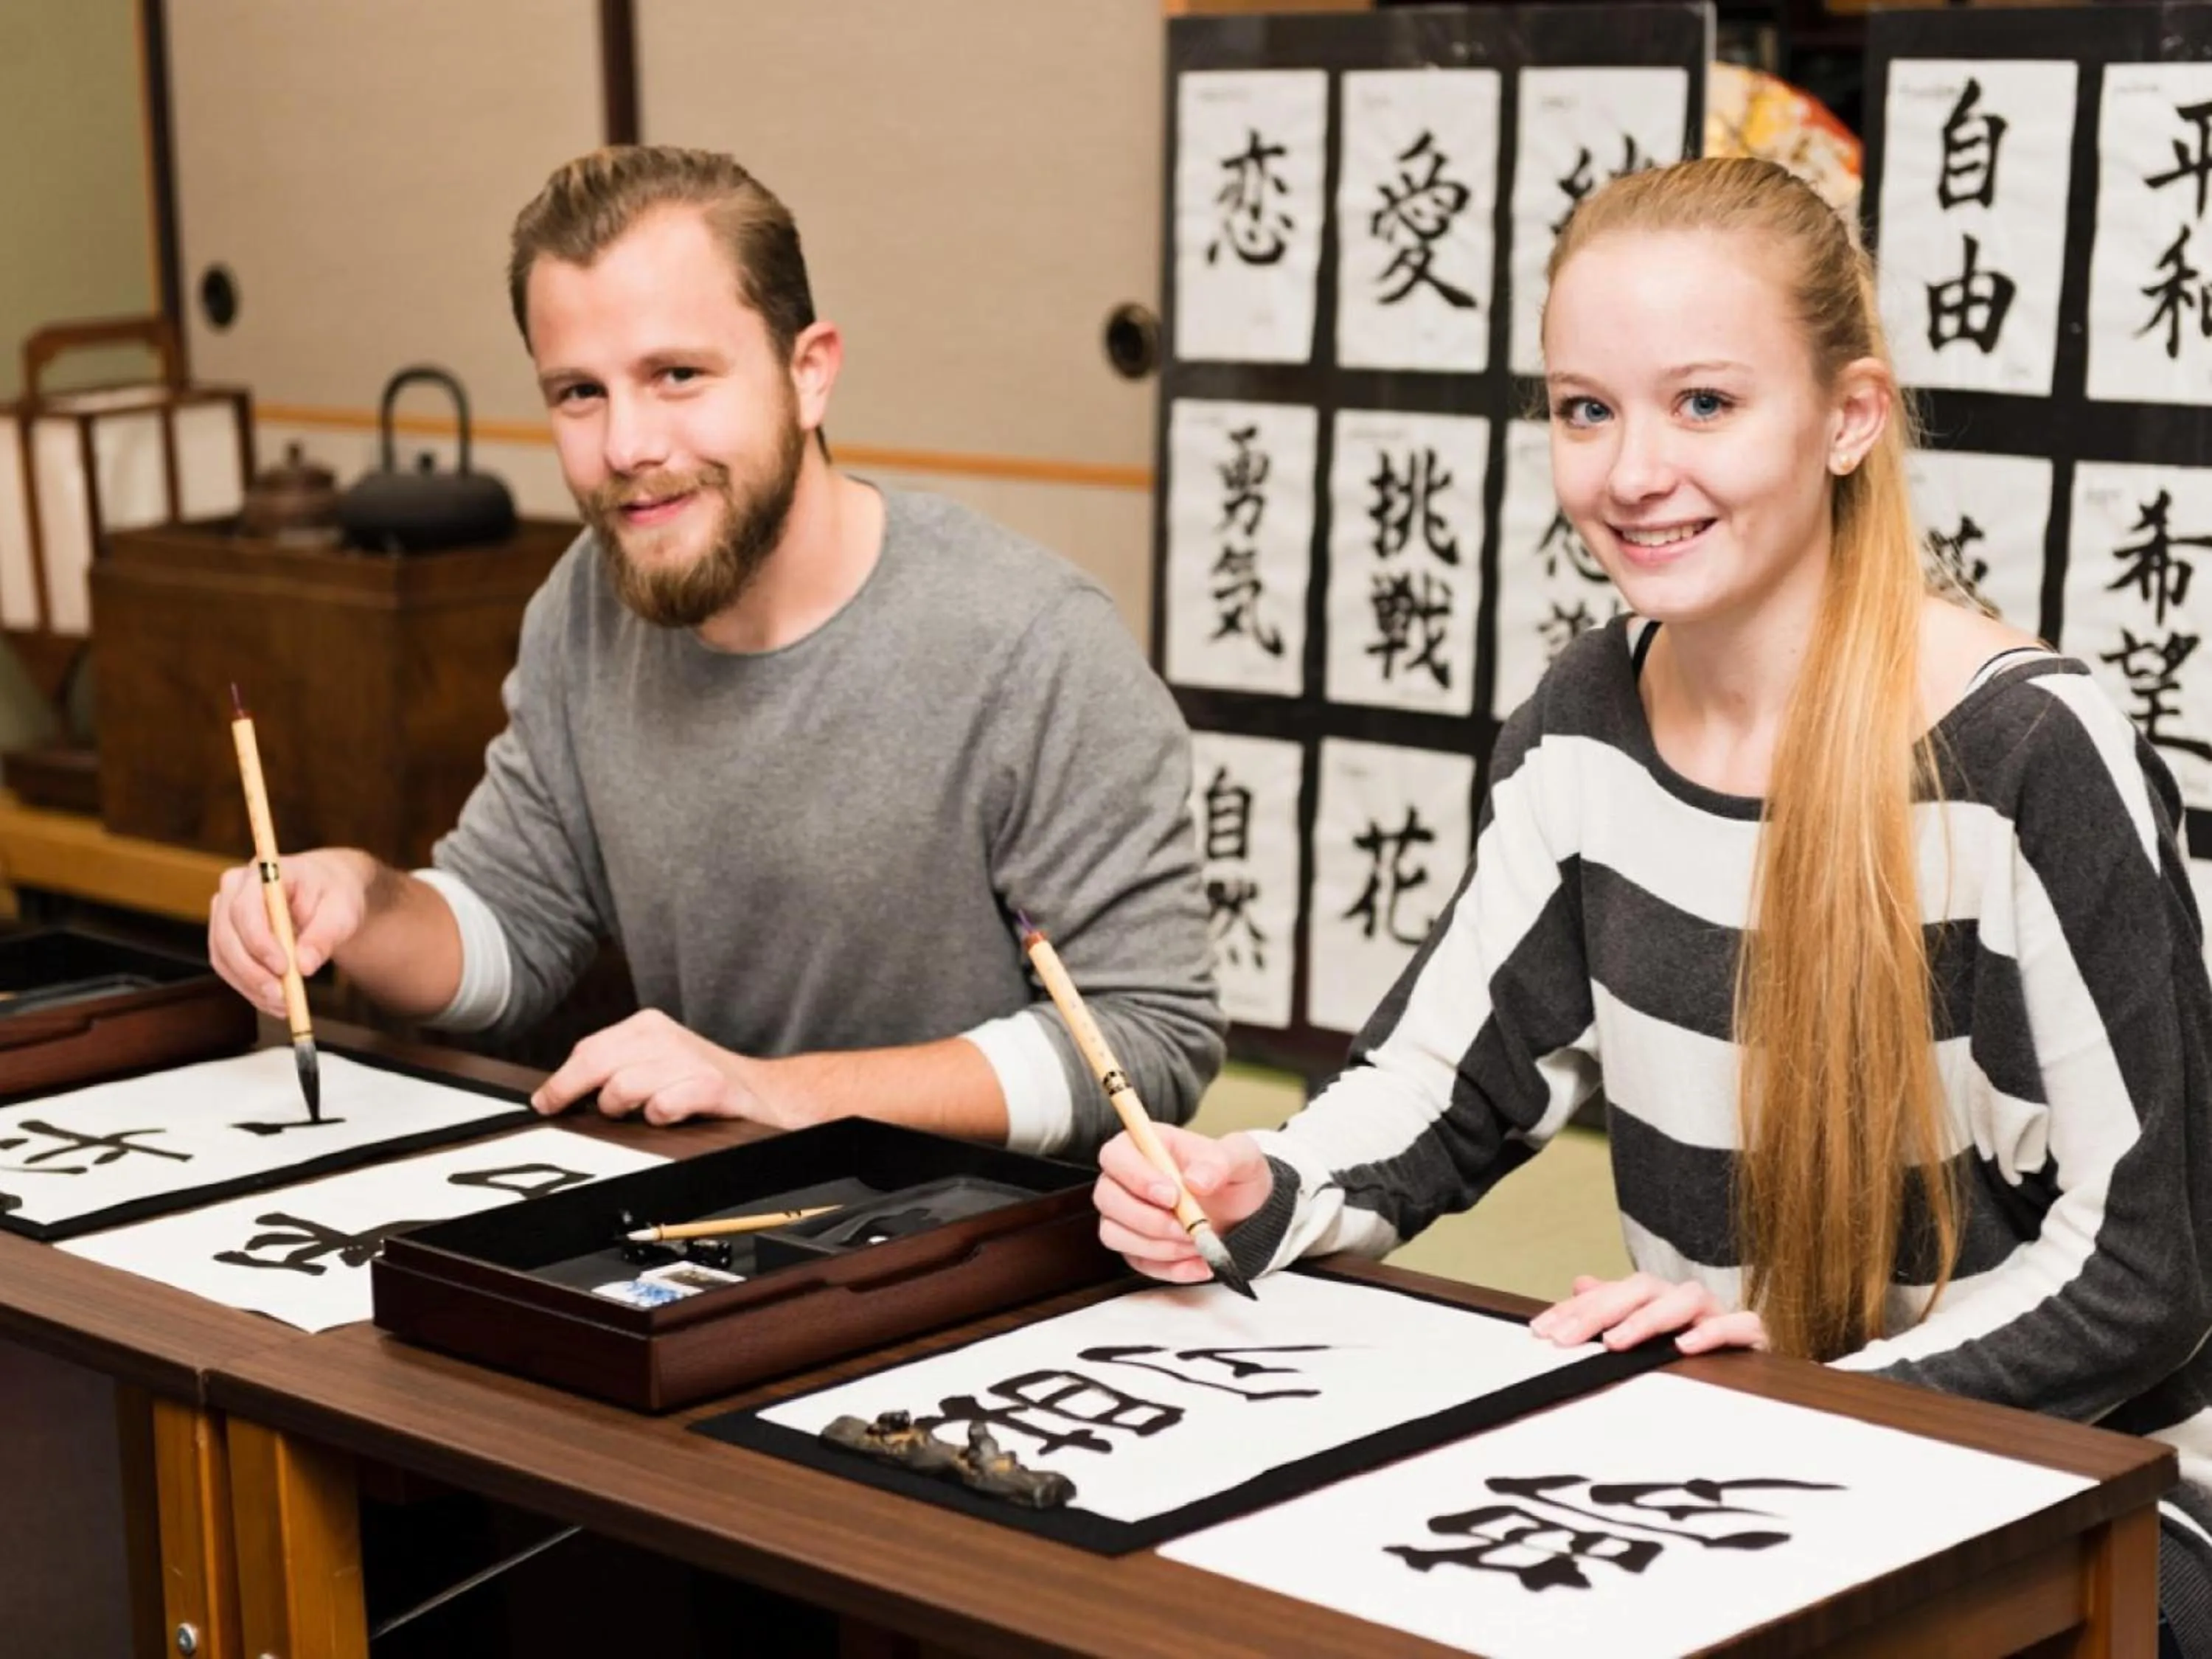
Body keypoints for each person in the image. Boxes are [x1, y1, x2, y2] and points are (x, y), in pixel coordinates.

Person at [1093, 156, 2212, 1651]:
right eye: (1584, 409)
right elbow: (1444, 1081)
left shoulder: (2024, 755)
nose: (1630, 473)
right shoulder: (1583, 724)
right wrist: (1265, 1184)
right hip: (1737, 1463)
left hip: (2081, 1492)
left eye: (1704, 403)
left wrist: (1814, 1409)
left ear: (1850, 418)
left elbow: (2148, 1270)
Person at [206, 145, 1224, 1158]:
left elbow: (1149, 1035)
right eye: (578, 394)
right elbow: (515, 927)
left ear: (809, 371)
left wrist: (778, 1092)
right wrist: (357, 902)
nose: (625, 446)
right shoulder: (585, 603)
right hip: (718, 1227)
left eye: (677, 375)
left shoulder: (1032, 644)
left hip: (987, 1257)